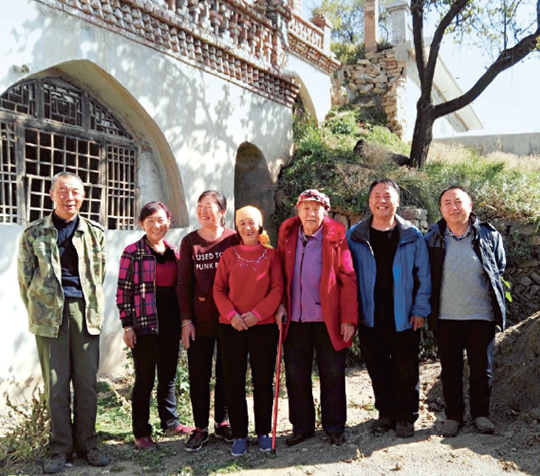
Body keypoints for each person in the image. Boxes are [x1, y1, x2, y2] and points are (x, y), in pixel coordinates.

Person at [17, 172, 110, 474]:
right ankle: (60, 448)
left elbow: (99, 275)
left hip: (85, 314)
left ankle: (88, 444)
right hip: (49, 317)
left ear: (83, 196)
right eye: (63, 191)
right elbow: (25, 279)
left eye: (76, 192)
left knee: (87, 385)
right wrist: (41, 308)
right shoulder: (34, 233)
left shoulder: (95, 232)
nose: (70, 197)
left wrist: (87, 306)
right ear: (51, 194)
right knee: (56, 387)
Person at [347, 179, 431, 438]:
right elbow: (345, 276)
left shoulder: (412, 236)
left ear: (397, 201)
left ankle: (406, 417)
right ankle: (385, 413)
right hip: (370, 315)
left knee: (406, 368)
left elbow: (424, 276)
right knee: (377, 367)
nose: (382, 200)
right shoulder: (356, 236)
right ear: (369, 201)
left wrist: (420, 310)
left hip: (404, 315)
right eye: (376, 195)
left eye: (387, 195)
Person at [275, 189, 358, 447]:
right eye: (306, 208)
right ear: (298, 211)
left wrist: (348, 318)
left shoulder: (335, 237)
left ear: (326, 212)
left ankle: (334, 426)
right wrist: (279, 305)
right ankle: (302, 427)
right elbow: (278, 274)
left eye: (316, 209)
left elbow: (347, 277)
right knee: (296, 375)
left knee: (332, 373)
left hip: (327, 318)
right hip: (295, 318)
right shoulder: (288, 236)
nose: (311, 213)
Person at [424, 186, 506, 437]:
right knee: (450, 370)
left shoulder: (488, 235)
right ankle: (453, 416)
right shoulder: (433, 238)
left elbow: (499, 268)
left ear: (470, 206)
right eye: (447, 203)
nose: (453, 207)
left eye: (459, 202)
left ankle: (481, 414)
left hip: (481, 315)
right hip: (446, 317)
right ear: (441, 210)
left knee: (482, 369)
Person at [116, 201, 193, 451]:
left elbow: (182, 289)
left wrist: (185, 322)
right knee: (145, 379)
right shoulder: (132, 252)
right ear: (142, 224)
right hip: (144, 325)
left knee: (168, 377)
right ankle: (141, 431)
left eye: (161, 220)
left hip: (170, 324)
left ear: (169, 221)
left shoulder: (174, 253)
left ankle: (170, 422)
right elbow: (123, 292)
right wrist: (127, 326)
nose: (156, 225)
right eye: (150, 221)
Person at [213, 206, 283, 456]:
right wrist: (232, 315)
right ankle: (240, 434)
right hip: (232, 327)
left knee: (263, 381)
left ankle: (263, 432)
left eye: (252, 222)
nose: (247, 227)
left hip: (262, 327)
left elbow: (276, 289)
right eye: (241, 223)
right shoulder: (229, 255)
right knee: (234, 382)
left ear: (260, 226)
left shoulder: (271, 256)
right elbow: (218, 290)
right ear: (237, 227)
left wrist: (257, 314)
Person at [177, 190, 239, 452]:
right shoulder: (190, 242)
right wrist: (186, 321)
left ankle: (222, 422)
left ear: (222, 211)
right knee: (199, 374)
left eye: (209, 206)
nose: (203, 211)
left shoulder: (234, 239)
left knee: (227, 372)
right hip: (199, 322)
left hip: (229, 320)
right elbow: (183, 285)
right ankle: (200, 427)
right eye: (199, 206)